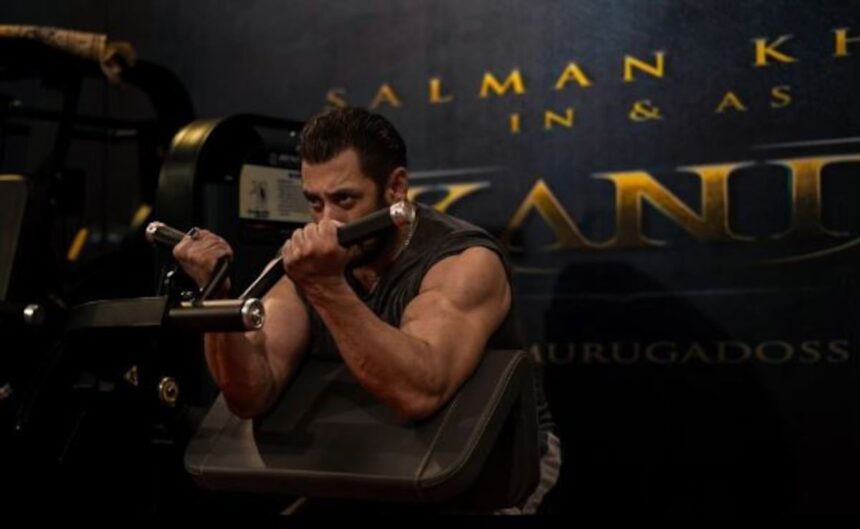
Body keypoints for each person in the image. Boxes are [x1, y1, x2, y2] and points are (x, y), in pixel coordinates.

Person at [173, 106, 559, 513]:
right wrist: (215, 292)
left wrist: (326, 287)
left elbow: (419, 391)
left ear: (395, 187)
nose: (327, 223)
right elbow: (251, 394)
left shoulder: (463, 261)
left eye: (344, 200)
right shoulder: (309, 267)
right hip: (382, 455)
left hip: (495, 460)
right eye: (314, 202)